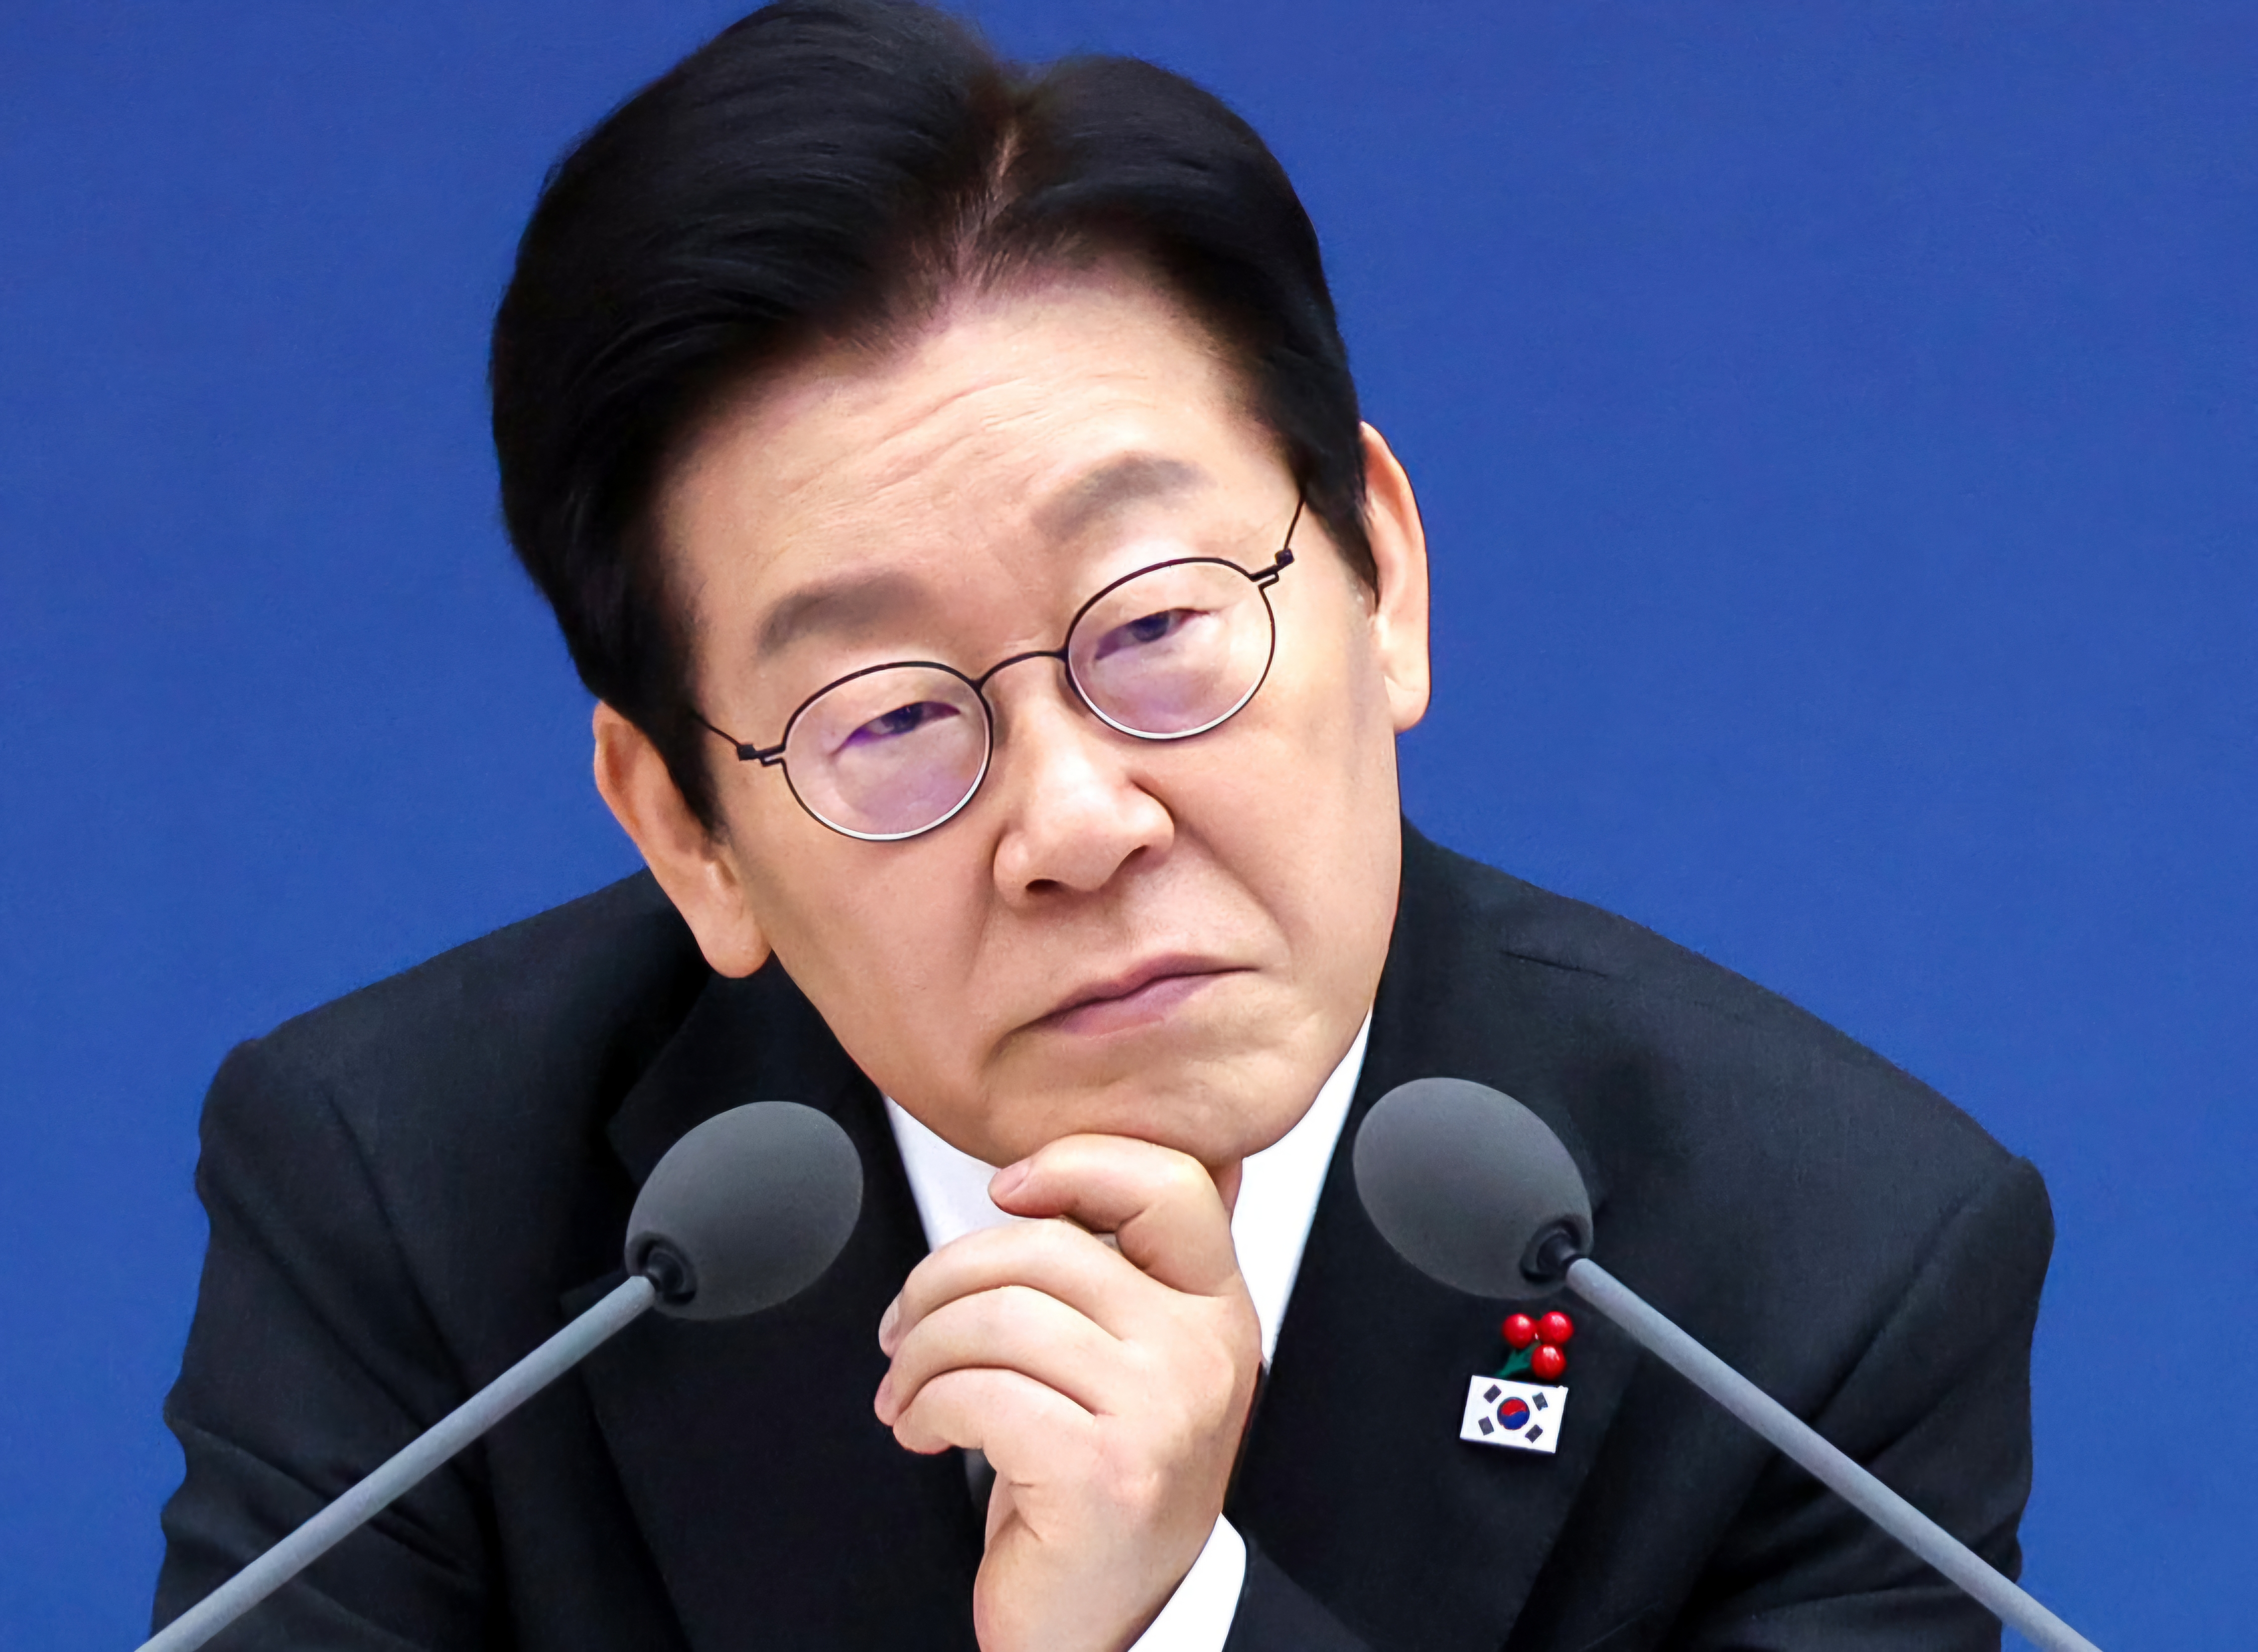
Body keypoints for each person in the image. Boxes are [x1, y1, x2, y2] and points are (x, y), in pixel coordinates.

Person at [151, 3, 2054, 1648]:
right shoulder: (410, 1199)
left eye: (1152, 628)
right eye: (889, 717)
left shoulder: (1818, 1277)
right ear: (688, 833)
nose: (1073, 819)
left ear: (1381, 577)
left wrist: (1171, 1623)